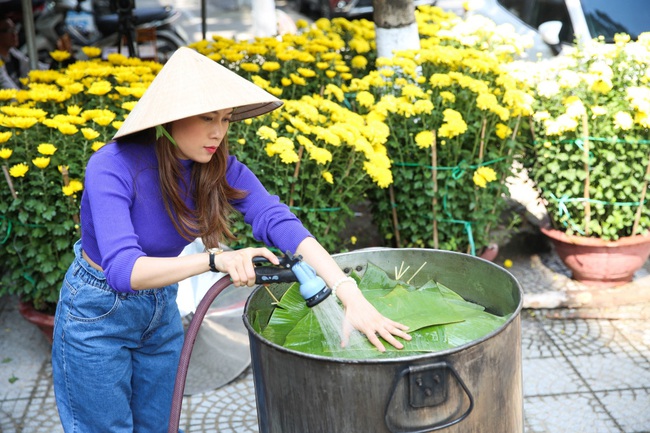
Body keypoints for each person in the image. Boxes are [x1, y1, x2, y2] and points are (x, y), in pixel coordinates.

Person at [51, 47, 411, 433]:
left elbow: (277, 220)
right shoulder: (112, 165)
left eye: (224, 119)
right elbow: (124, 270)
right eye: (207, 118)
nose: (218, 132)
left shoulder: (216, 167)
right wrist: (215, 260)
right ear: (170, 117)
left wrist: (347, 292)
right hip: (97, 312)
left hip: (160, 308)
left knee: (158, 427)